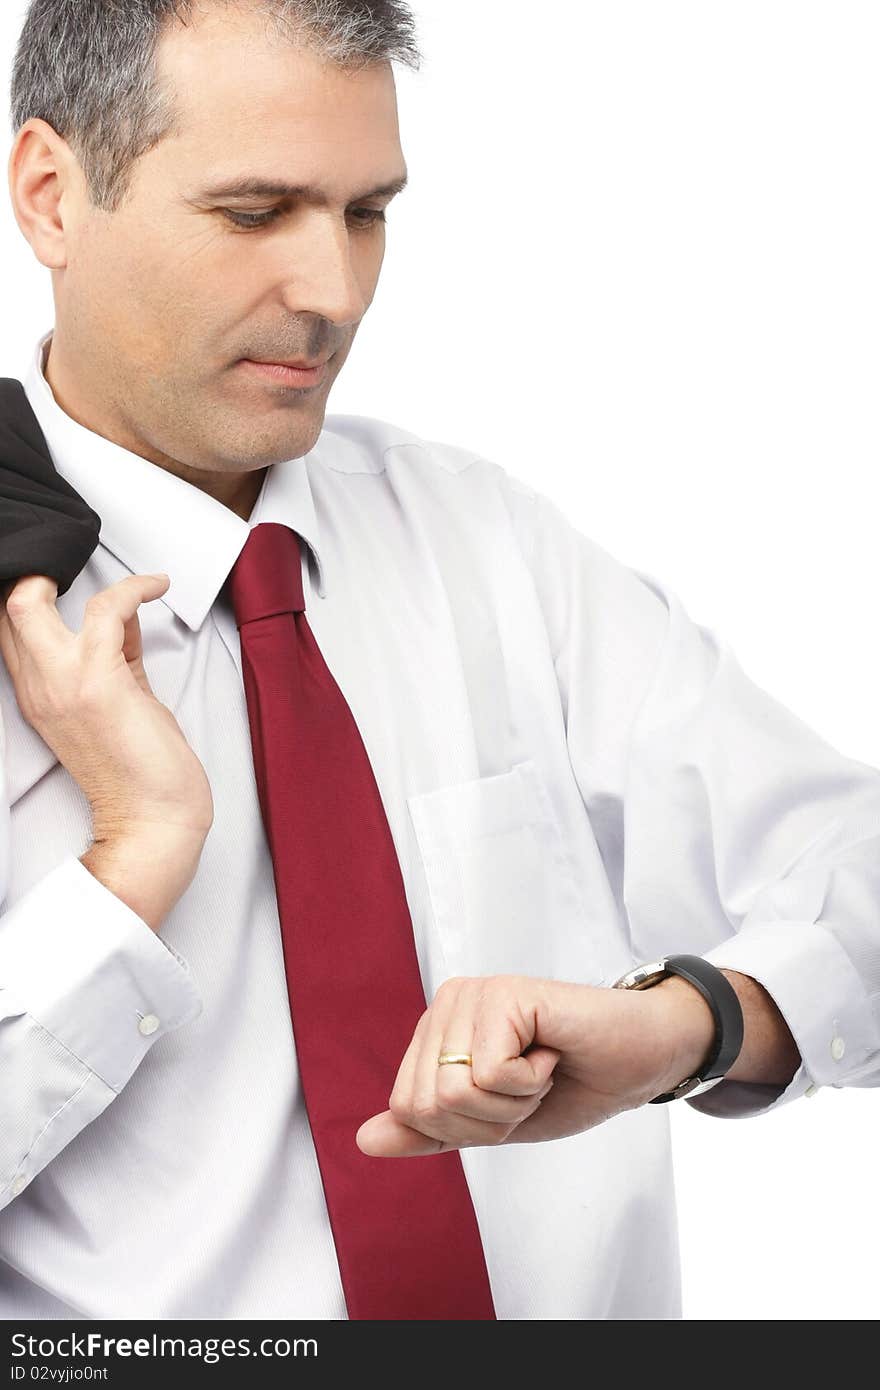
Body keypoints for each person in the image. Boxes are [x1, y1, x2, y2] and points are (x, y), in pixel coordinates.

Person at [0, 0, 878, 1322]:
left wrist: (699, 1019)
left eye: (367, 213)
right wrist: (136, 851)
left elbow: (850, 857)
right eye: (254, 212)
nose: (333, 294)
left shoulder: (486, 544)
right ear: (51, 194)